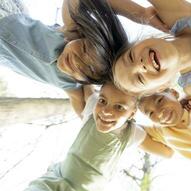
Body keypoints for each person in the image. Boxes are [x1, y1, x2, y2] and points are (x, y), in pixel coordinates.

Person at [0, 0, 168, 116]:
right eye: (84, 48)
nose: (75, 60)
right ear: (81, 37)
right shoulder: (68, 34)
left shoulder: (69, 83)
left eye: (87, 69)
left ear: (88, 80)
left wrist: (90, 117)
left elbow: (81, 106)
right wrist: (141, 13)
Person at [16, 82, 173, 191]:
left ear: (132, 114)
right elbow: (86, 82)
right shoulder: (92, 108)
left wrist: (164, 118)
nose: (106, 111)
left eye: (119, 107)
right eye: (103, 101)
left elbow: (167, 152)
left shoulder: (132, 133)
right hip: (55, 181)